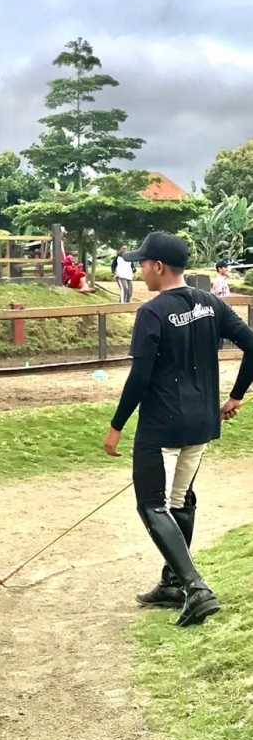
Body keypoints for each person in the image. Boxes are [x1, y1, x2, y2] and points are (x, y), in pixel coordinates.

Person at [103, 232, 253, 627]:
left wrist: (117, 426)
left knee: (152, 505)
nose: (139, 271)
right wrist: (236, 396)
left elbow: (140, 376)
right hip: (202, 422)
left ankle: (195, 587)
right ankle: (173, 584)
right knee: (179, 500)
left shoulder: (152, 312)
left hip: (161, 426)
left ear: (158, 267)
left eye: (142, 264)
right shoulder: (212, 303)